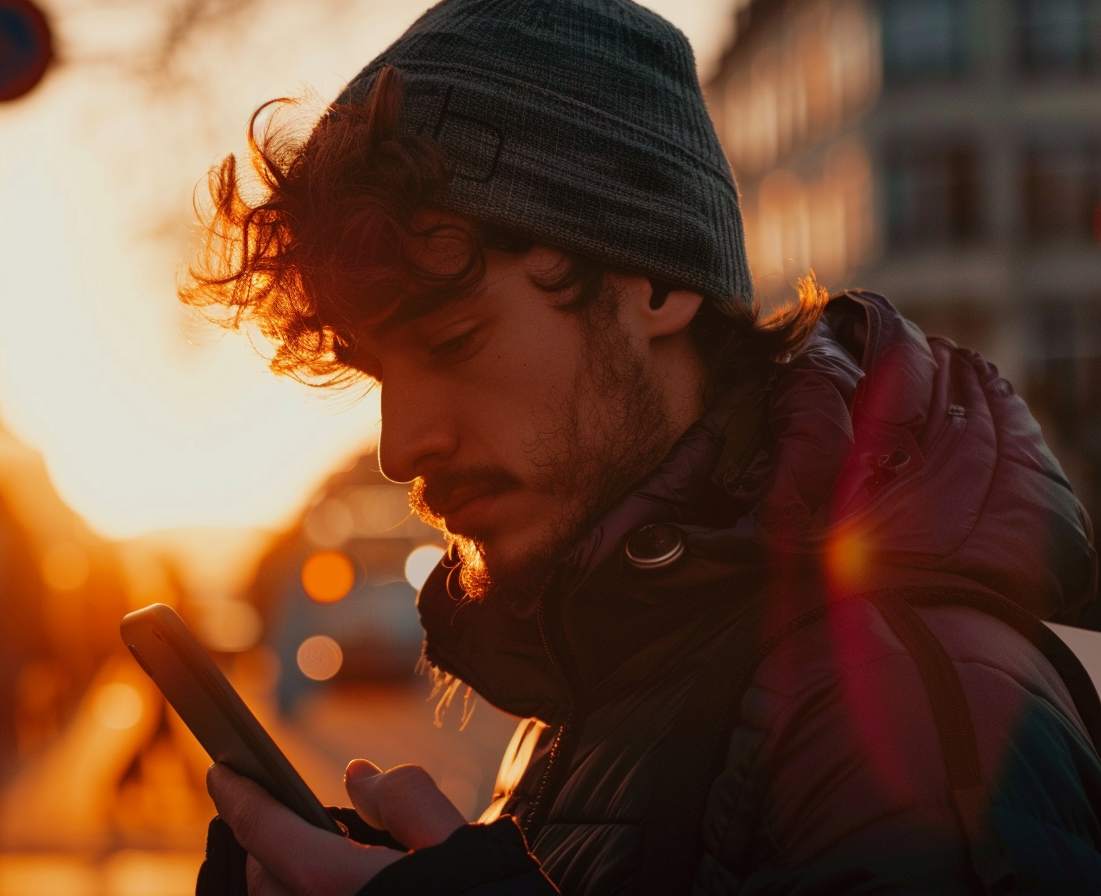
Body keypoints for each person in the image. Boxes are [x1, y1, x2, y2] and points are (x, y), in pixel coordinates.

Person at [180, 1, 1101, 892]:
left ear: (658, 280)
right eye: (381, 373)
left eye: (454, 341)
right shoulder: (599, 687)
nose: (400, 446)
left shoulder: (897, 703)